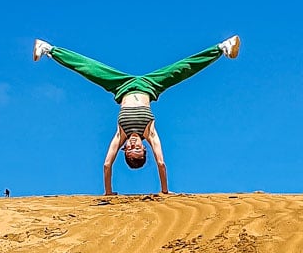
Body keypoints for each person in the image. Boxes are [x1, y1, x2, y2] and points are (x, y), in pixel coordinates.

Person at [33, 36, 241, 195]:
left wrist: (108, 192)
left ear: (124, 149)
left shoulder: (120, 135)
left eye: (130, 150)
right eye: (138, 149)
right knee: (182, 68)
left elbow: (106, 164)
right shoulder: (150, 133)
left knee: (88, 68)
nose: (133, 145)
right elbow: (161, 163)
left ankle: (48, 48)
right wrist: (165, 191)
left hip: (120, 85)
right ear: (144, 148)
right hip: (151, 85)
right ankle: (223, 48)